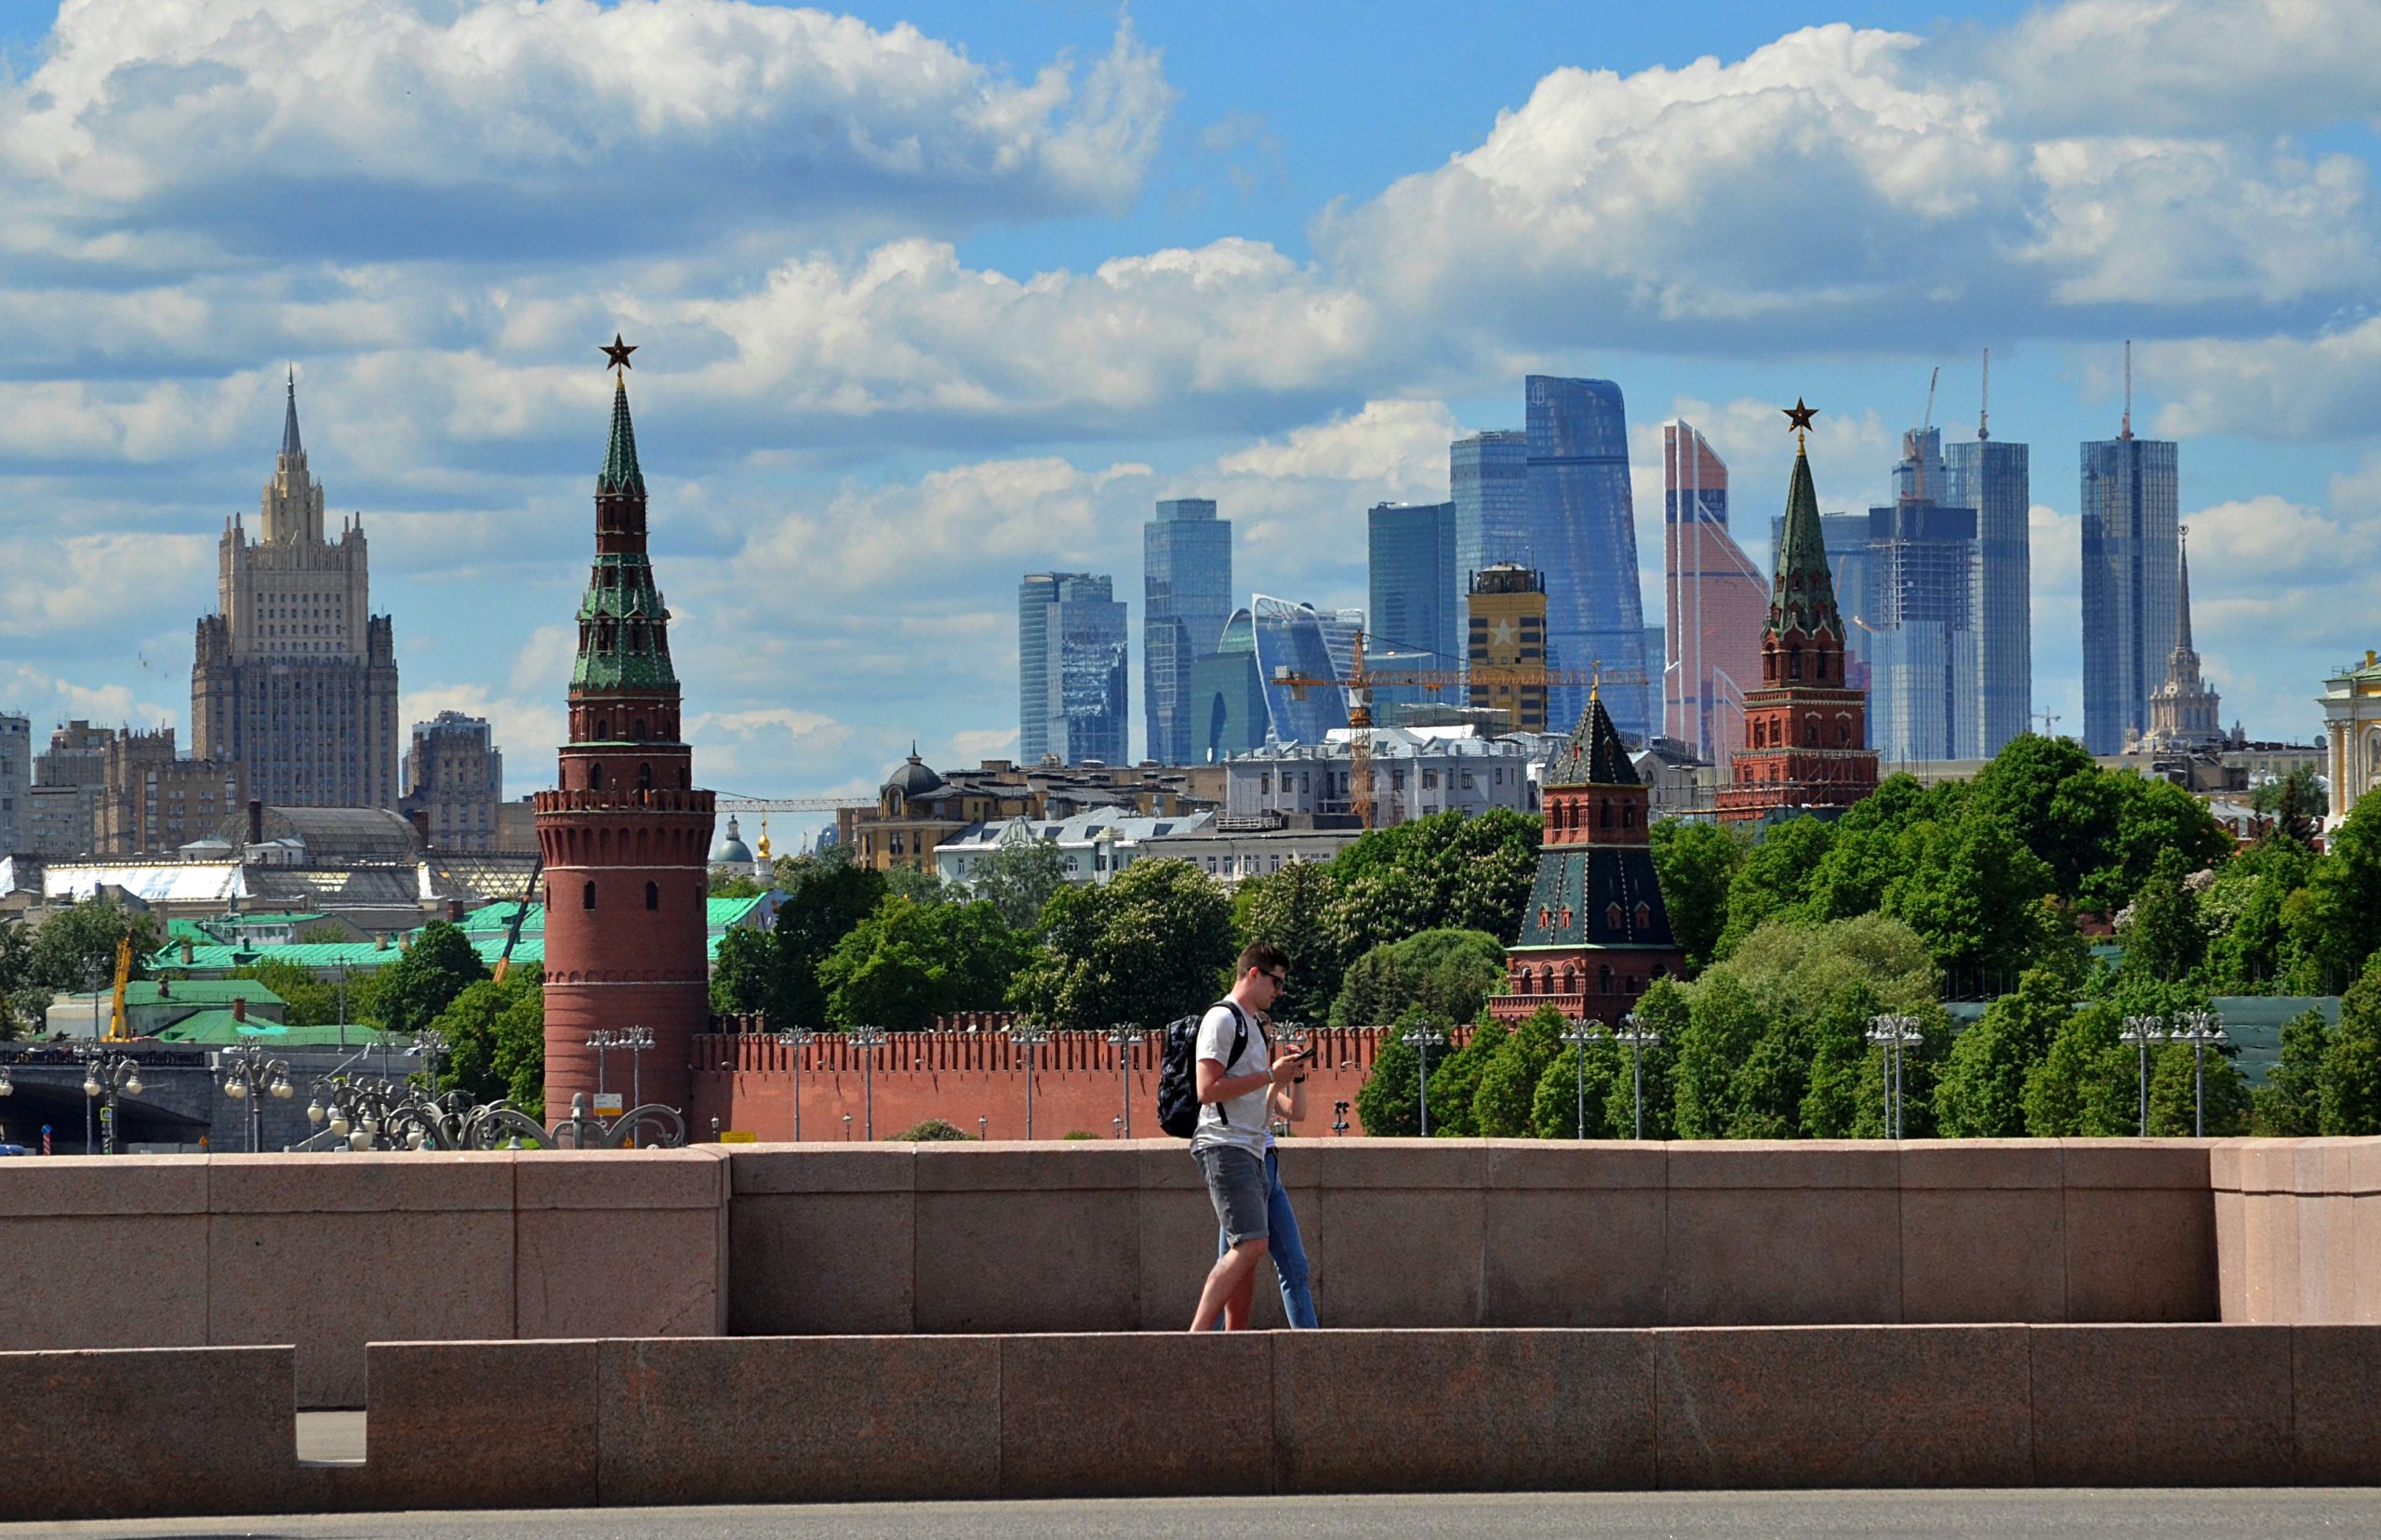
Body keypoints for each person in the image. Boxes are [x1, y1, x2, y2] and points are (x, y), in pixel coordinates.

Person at [1187, 942, 1305, 1332]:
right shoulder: (1223, 1020)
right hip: (1225, 1143)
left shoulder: (1252, 1025)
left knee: (1248, 1248)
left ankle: (1233, 1341)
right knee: (1251, 1244)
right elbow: (1207, 1089)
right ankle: (1196, 1336)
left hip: (1252, 1148)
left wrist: (1284, 1078)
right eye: (1276, 982)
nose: (1279, 991)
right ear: (1253, 974)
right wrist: (1272, 1075)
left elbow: (1283, 1106)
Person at [1208, 1005, 1317, 1329]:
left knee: (1295, 1266)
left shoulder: (1262, 1078)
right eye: (1262, 1041)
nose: (1265, 1050)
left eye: (1268, 1043)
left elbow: (1297, 1114)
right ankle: (1202, 1346)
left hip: (1269, 1170)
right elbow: (1255, 1119)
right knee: (1230, 1265)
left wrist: (1296, 1078)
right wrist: (1272, 1081)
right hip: (1243, 1170)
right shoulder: (1238, 1080)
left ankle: (1309, 1347)